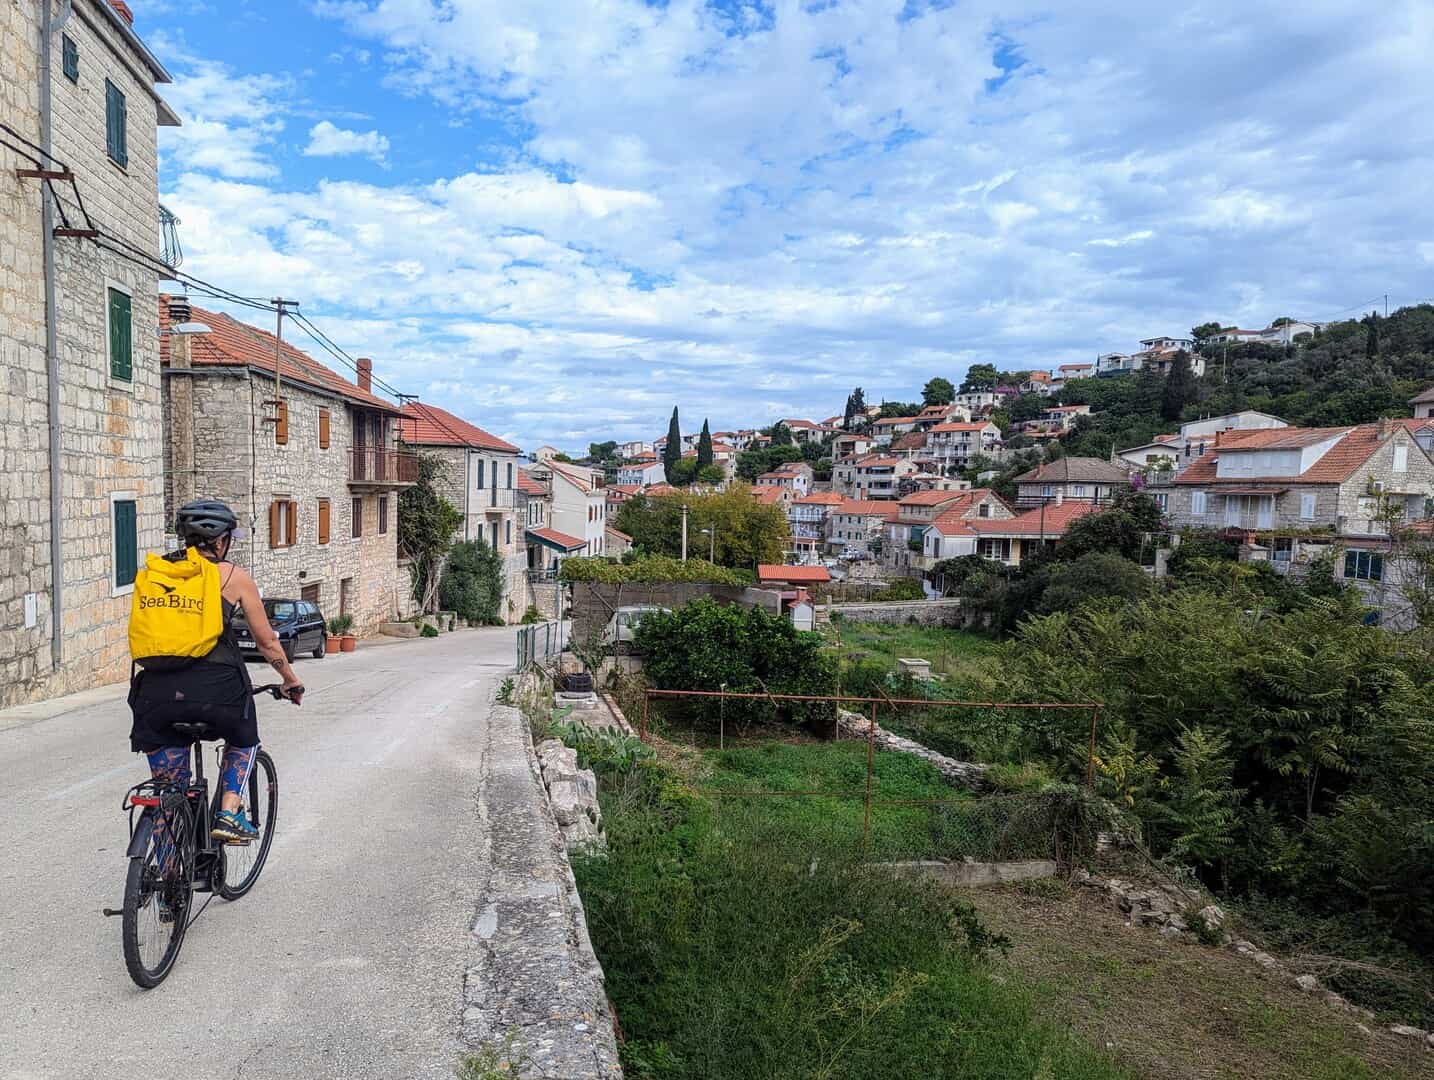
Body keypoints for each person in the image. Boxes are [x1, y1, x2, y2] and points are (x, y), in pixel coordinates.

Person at [129, 499, 303, 844]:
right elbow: (266, 641)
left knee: (168, 794)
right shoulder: (232, 576)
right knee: (244, 739)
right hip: (218, 692)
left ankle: (166, 881)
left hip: (154, 695)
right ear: (222, 541)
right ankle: (228, 810)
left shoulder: (154, 573)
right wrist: (290, 680)